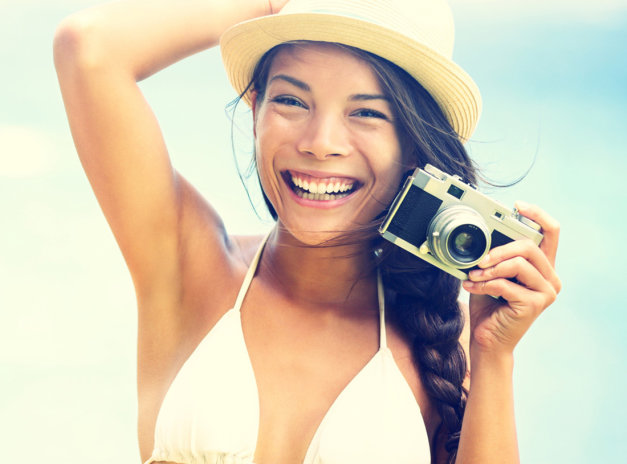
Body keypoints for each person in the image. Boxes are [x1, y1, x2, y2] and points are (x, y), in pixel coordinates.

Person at [53, 0, 561, 463]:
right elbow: (88, 49)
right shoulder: (189, 266)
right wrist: (268, 5)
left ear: (413, 146)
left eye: (366, 112)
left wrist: (495, 356)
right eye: (292, 102)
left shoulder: (443, 343)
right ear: (254, 109)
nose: (320, 143)